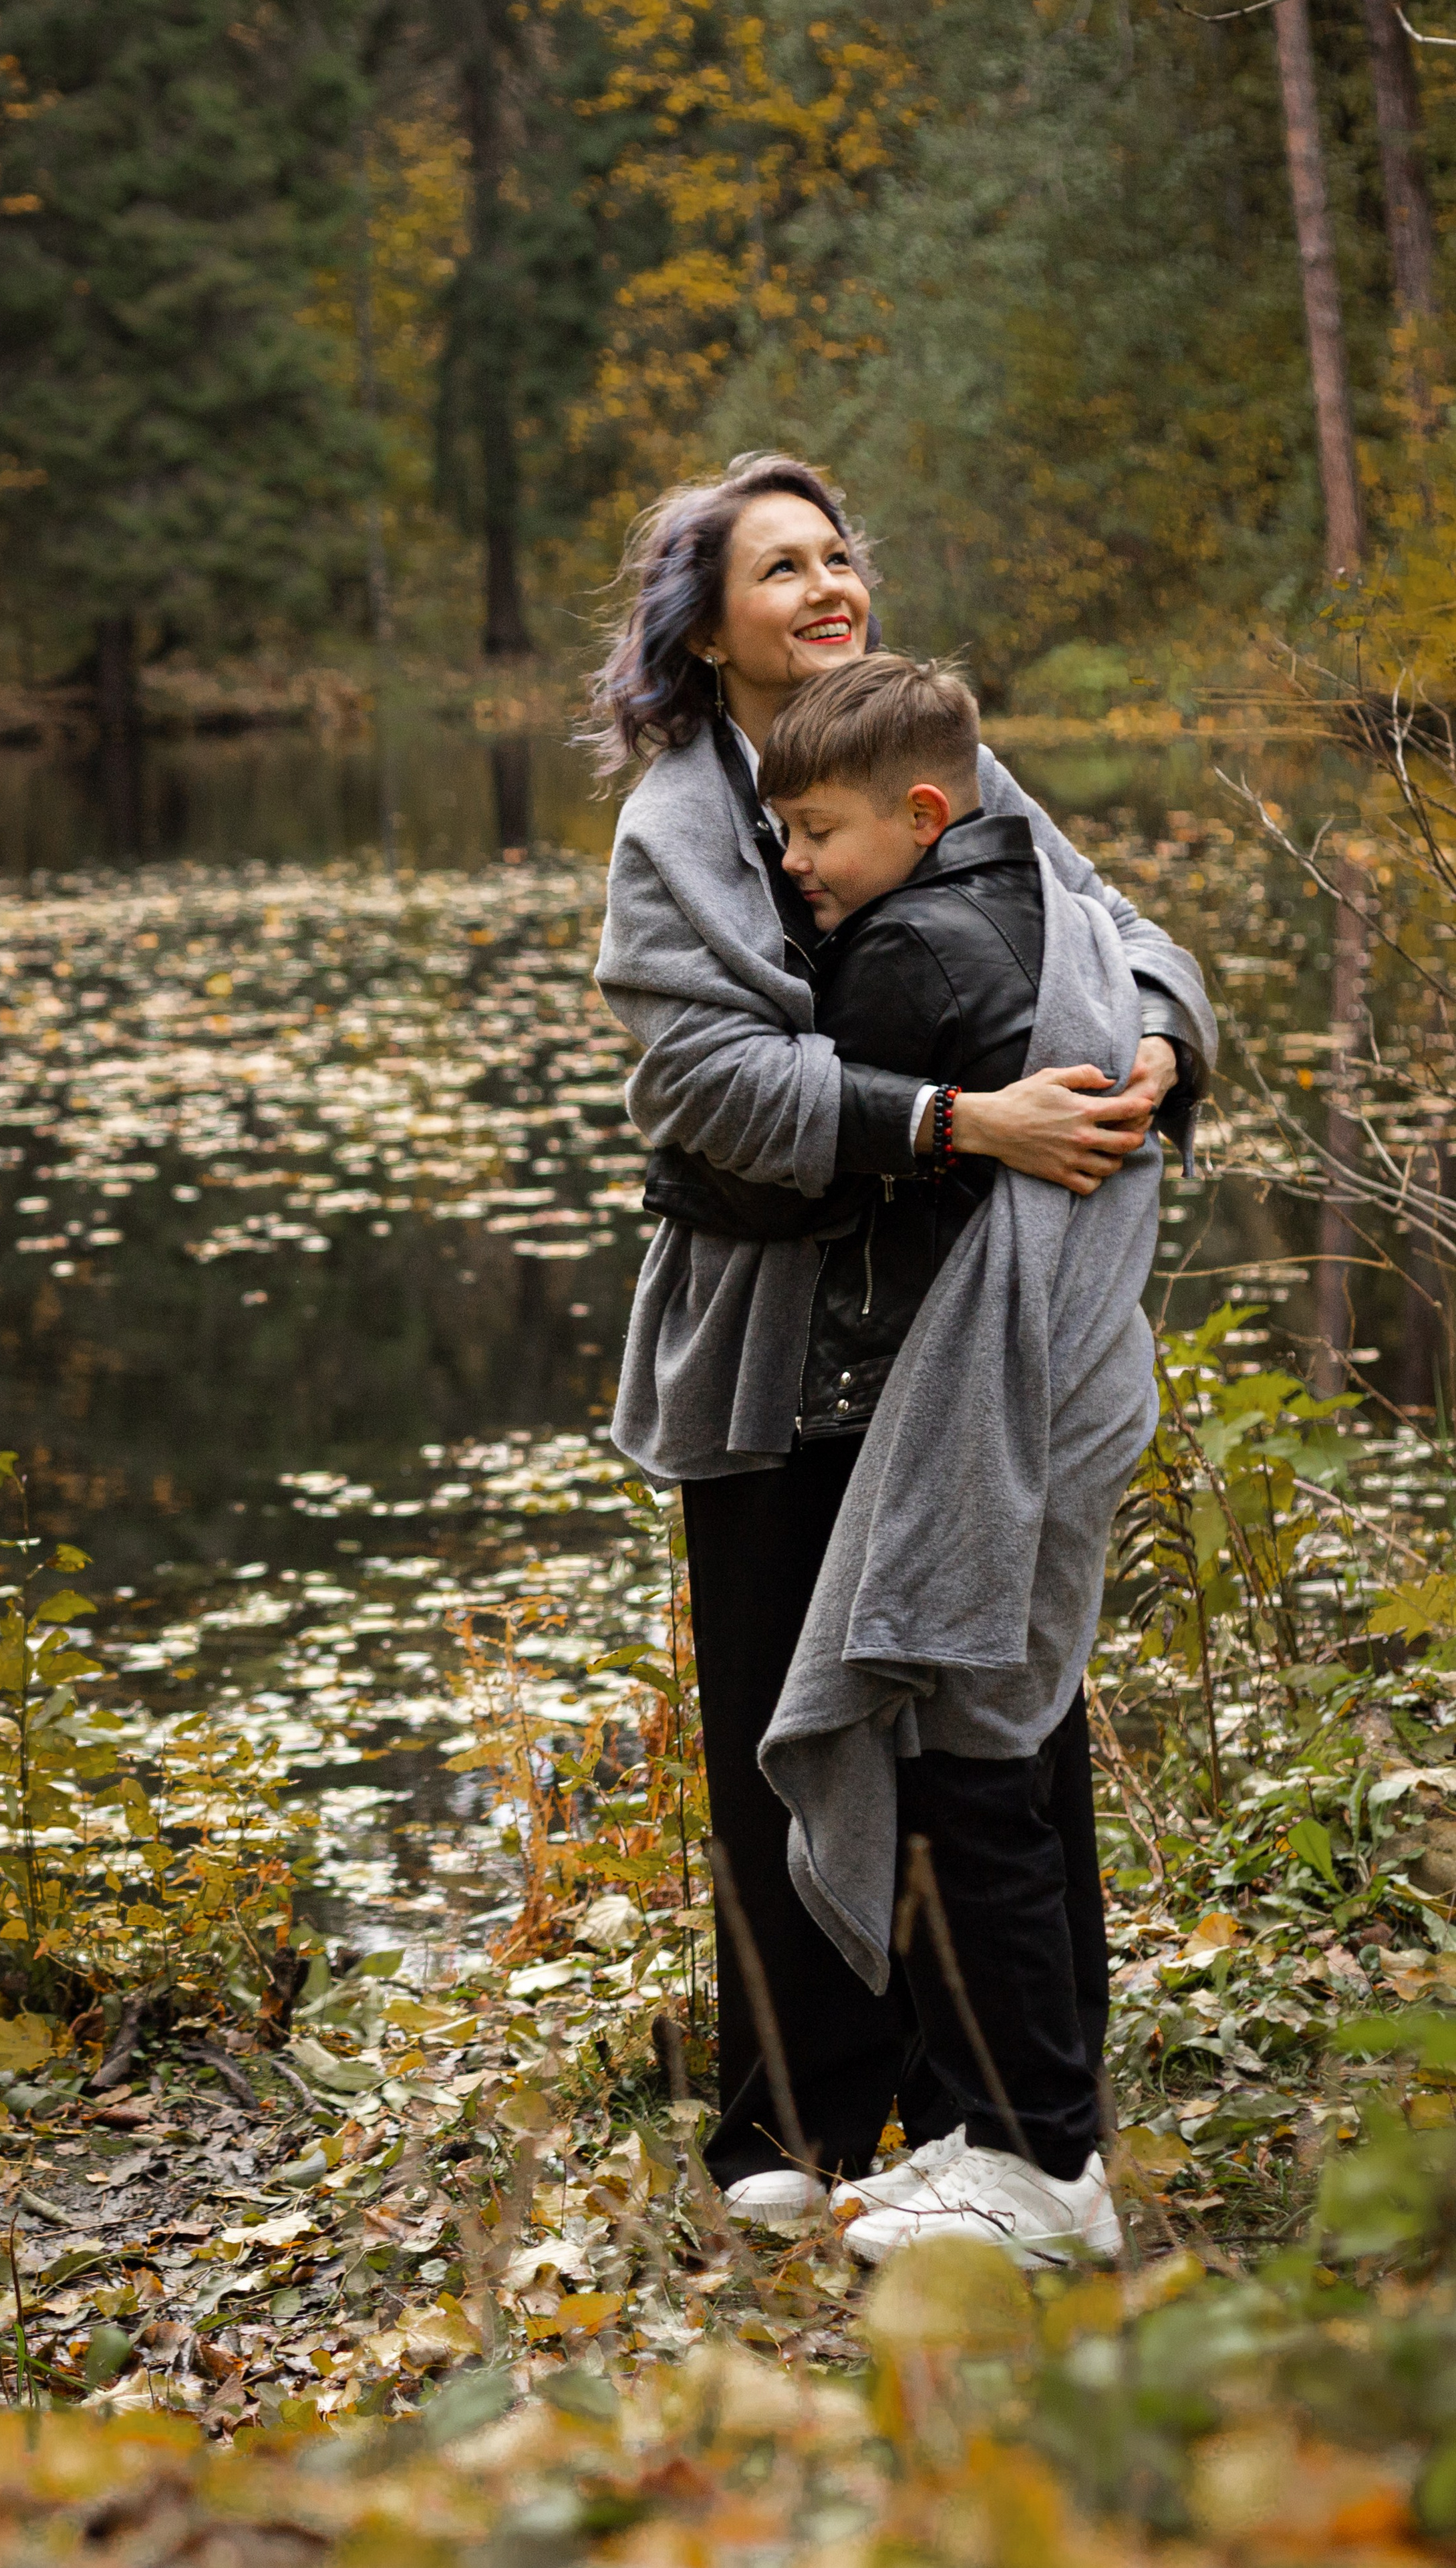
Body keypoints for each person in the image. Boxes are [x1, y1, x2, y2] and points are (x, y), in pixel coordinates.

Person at [590, 453, 1215, 2221]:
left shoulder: (932, 758)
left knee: (979, 1709)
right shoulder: (678, 825)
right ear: (702, 630)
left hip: (952, 1332)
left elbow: (1117, 931)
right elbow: (703, 1080)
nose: (823, 583)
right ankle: (795, 2129)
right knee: (782, 1726)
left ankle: (1000, 2121)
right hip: (769, 1344)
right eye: (777, 568)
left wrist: (1157, 1051)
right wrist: (961, 1120)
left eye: (836, 552)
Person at [746, 650, 1208, 2262]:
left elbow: (749, 1169)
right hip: (1068, 1374)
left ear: (919, 813)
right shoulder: (1018, 878)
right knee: (989, 1743)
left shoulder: (902, 962)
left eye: (811, 832)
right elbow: (1145, 949)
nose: (789, 864)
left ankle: (1040, 2171)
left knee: (977, 1766)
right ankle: (987, 2135)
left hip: (998, 1403)